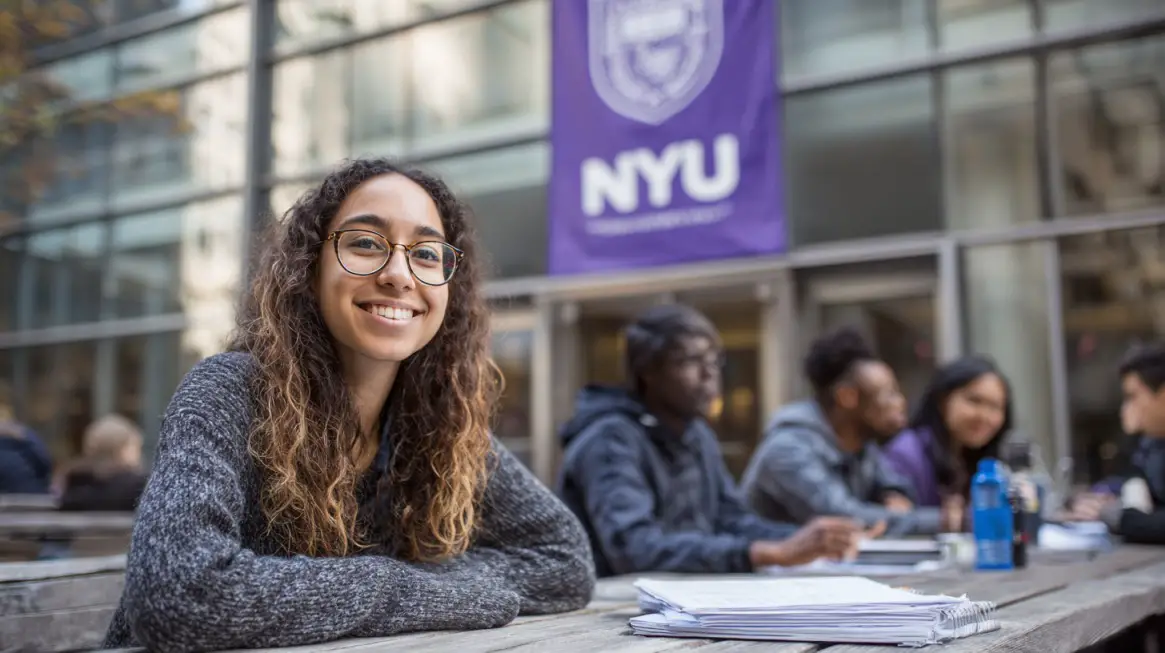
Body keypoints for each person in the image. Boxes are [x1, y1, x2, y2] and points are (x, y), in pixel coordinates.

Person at [104, 158, 595, 652]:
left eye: (426, 254)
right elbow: (181, 596)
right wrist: (416, 588)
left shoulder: (436, 423)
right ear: (308, 269)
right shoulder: (229, 392)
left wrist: (431, 589)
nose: (400, 275)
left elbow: (564, 561)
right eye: (365, 244)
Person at [557, 304, 878, 578]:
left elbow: (732, 520)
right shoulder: (610, 440)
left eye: (714, 360)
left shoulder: (697, 435)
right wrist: (763, 552)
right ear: (647, 372)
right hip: (609, 616)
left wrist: (812, 539)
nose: (709, 373)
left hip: (689, 601)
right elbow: (634, 549)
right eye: (690, 361)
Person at [741, 327, 944, 535]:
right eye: (888, 394)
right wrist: (948, 521)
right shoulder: (787, 448)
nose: (900, 403)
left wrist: (890, 494)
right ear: (847, 397)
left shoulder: (861, 444)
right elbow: (842, 517)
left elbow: (898, 488)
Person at [881, 356, 1012, 529]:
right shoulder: (906, 453)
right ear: (943, 400)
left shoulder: (984, 463)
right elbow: (897, 522)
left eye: (995, 406)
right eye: (974, 401)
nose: (984, 416)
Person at [1086, 343, 1165, 542]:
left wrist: (1123, 519)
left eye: (1132, 397)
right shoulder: (1151, 444)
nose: (1127, 409)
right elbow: (1130, 475)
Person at [58, 414, 149, 512]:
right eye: (135, 447)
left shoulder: (74, 483)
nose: (138, 453)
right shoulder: (138, 488)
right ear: (122, 450)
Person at [0, 398, 52, 495]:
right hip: (32, 496)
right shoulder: (23, 433)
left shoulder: (22, 433)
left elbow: (45, 464)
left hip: (30, 496)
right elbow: (45, 464)